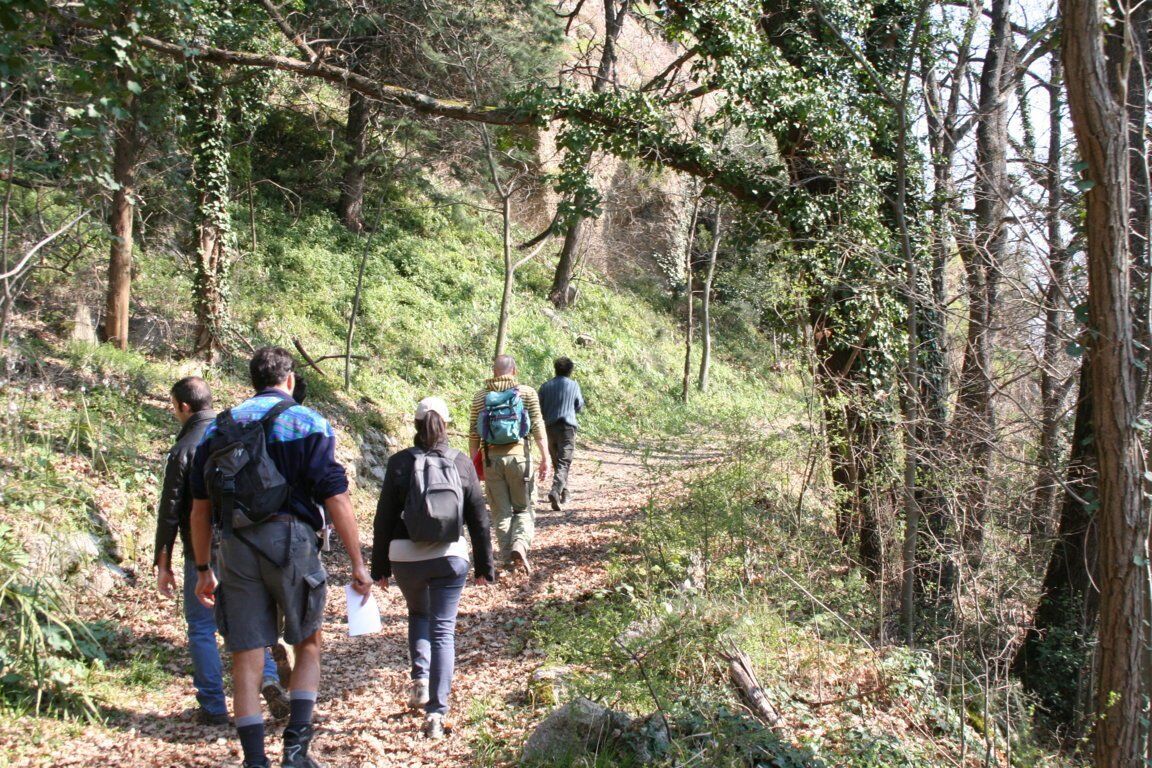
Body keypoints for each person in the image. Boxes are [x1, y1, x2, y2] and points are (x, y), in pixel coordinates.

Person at [188, 347, 373, 768]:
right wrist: (358, 562)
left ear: (254, 381)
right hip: (291, 540)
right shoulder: (307, 422)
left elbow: (199, 508)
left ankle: (255, 760)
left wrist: (203, 569)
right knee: (306, 641)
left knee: (246, 656)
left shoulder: (219, 429)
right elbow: (335, 494)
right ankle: (295, 753)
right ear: (289, 381)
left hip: (233, 546)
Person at [152, 376, 288, 725]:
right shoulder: (234, 434)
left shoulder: (183, 448)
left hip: (202, 548)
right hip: (242, 540)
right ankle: (269, 678)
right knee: (251, 619)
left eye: (173, 406)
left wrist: (162, 560)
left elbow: (171, 510)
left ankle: (213, 707)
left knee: (201, 626)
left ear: (183, 406)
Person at [371, 397, 494, 739]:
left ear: (414, 425)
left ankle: (420, 681)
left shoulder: (398, 463)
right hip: (450, 557)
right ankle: (437, 714)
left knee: (418, 615)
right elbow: (479, 519)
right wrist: (485, 566)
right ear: (447, 426)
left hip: (405, 557)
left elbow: (383, 520)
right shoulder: (460, 463)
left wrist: (378, 568)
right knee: (443, 631)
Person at [468, 354, 548, 574]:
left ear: (494, 372)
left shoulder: (480, 397)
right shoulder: (527, 393)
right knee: (524, 508)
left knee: (501, 512)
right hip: (520, 458)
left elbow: (474, 434)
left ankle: (507, 560)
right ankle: (520, 545)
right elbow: (538, 426)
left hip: (491, 460)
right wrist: (545, 457)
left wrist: (476, 465)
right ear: (514, 371)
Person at [537, 357, 585, 512]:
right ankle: (556, 490)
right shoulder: (574, 385)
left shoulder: (545, 386)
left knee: (558, 461)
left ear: (555, 369)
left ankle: (565, 492)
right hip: (567, 427)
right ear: (570, 371)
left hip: (549, 428)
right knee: (564, 461)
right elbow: (579, 405)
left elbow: (539, 408)